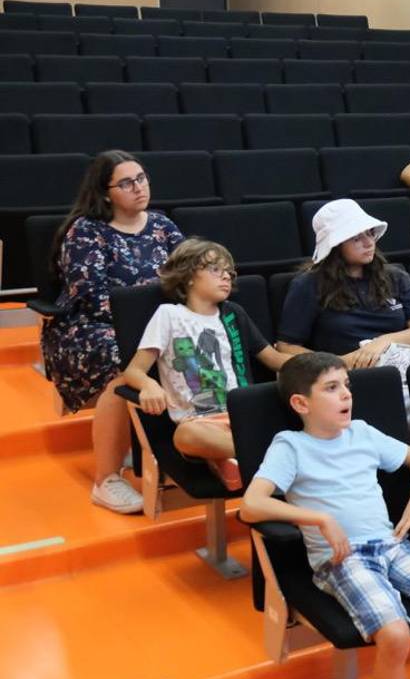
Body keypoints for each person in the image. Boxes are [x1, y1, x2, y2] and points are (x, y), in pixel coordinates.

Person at [241, 352, 410, 679]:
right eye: (331, 387)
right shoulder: (291, 445)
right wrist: (318, 517)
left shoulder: (362, 432)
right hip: (343, 558)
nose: (346, 394)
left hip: (392, 544)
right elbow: (251, 505)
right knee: (396, 635)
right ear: (300, 403)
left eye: (346, 385)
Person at [41, 150, 185, 514]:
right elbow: (90, 298)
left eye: (141, 178)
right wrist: (151, 329)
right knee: (125, 364)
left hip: (154, 324)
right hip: (90, 328)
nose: (138, 188)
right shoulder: (86, 232)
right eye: (126, 183)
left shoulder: (163, 225)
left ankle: (190, 453)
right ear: (106, 193)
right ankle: (105, 479)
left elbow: (187, 278)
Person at [123, 239, 289, 490]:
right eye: (216, 270)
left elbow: (274, 359)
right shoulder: (169, 315)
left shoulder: (233, 313)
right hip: (198, 422)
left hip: (241, 415)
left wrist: (330, 362)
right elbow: (133, 371)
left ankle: (233, 460)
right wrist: (148, 384)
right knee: (185, 437)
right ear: (189, 276)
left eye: (229, 273)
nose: (226, 277)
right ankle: (264, 457)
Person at [276, 199, 410, 369]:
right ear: (335, 246)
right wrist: (338, 363)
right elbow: (286, 347)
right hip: (346, 374)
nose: (369, 243)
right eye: (356, 238)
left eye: (370, 233)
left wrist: (382, 343)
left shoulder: (395, 276)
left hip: (400, 364)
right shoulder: (308, 284)